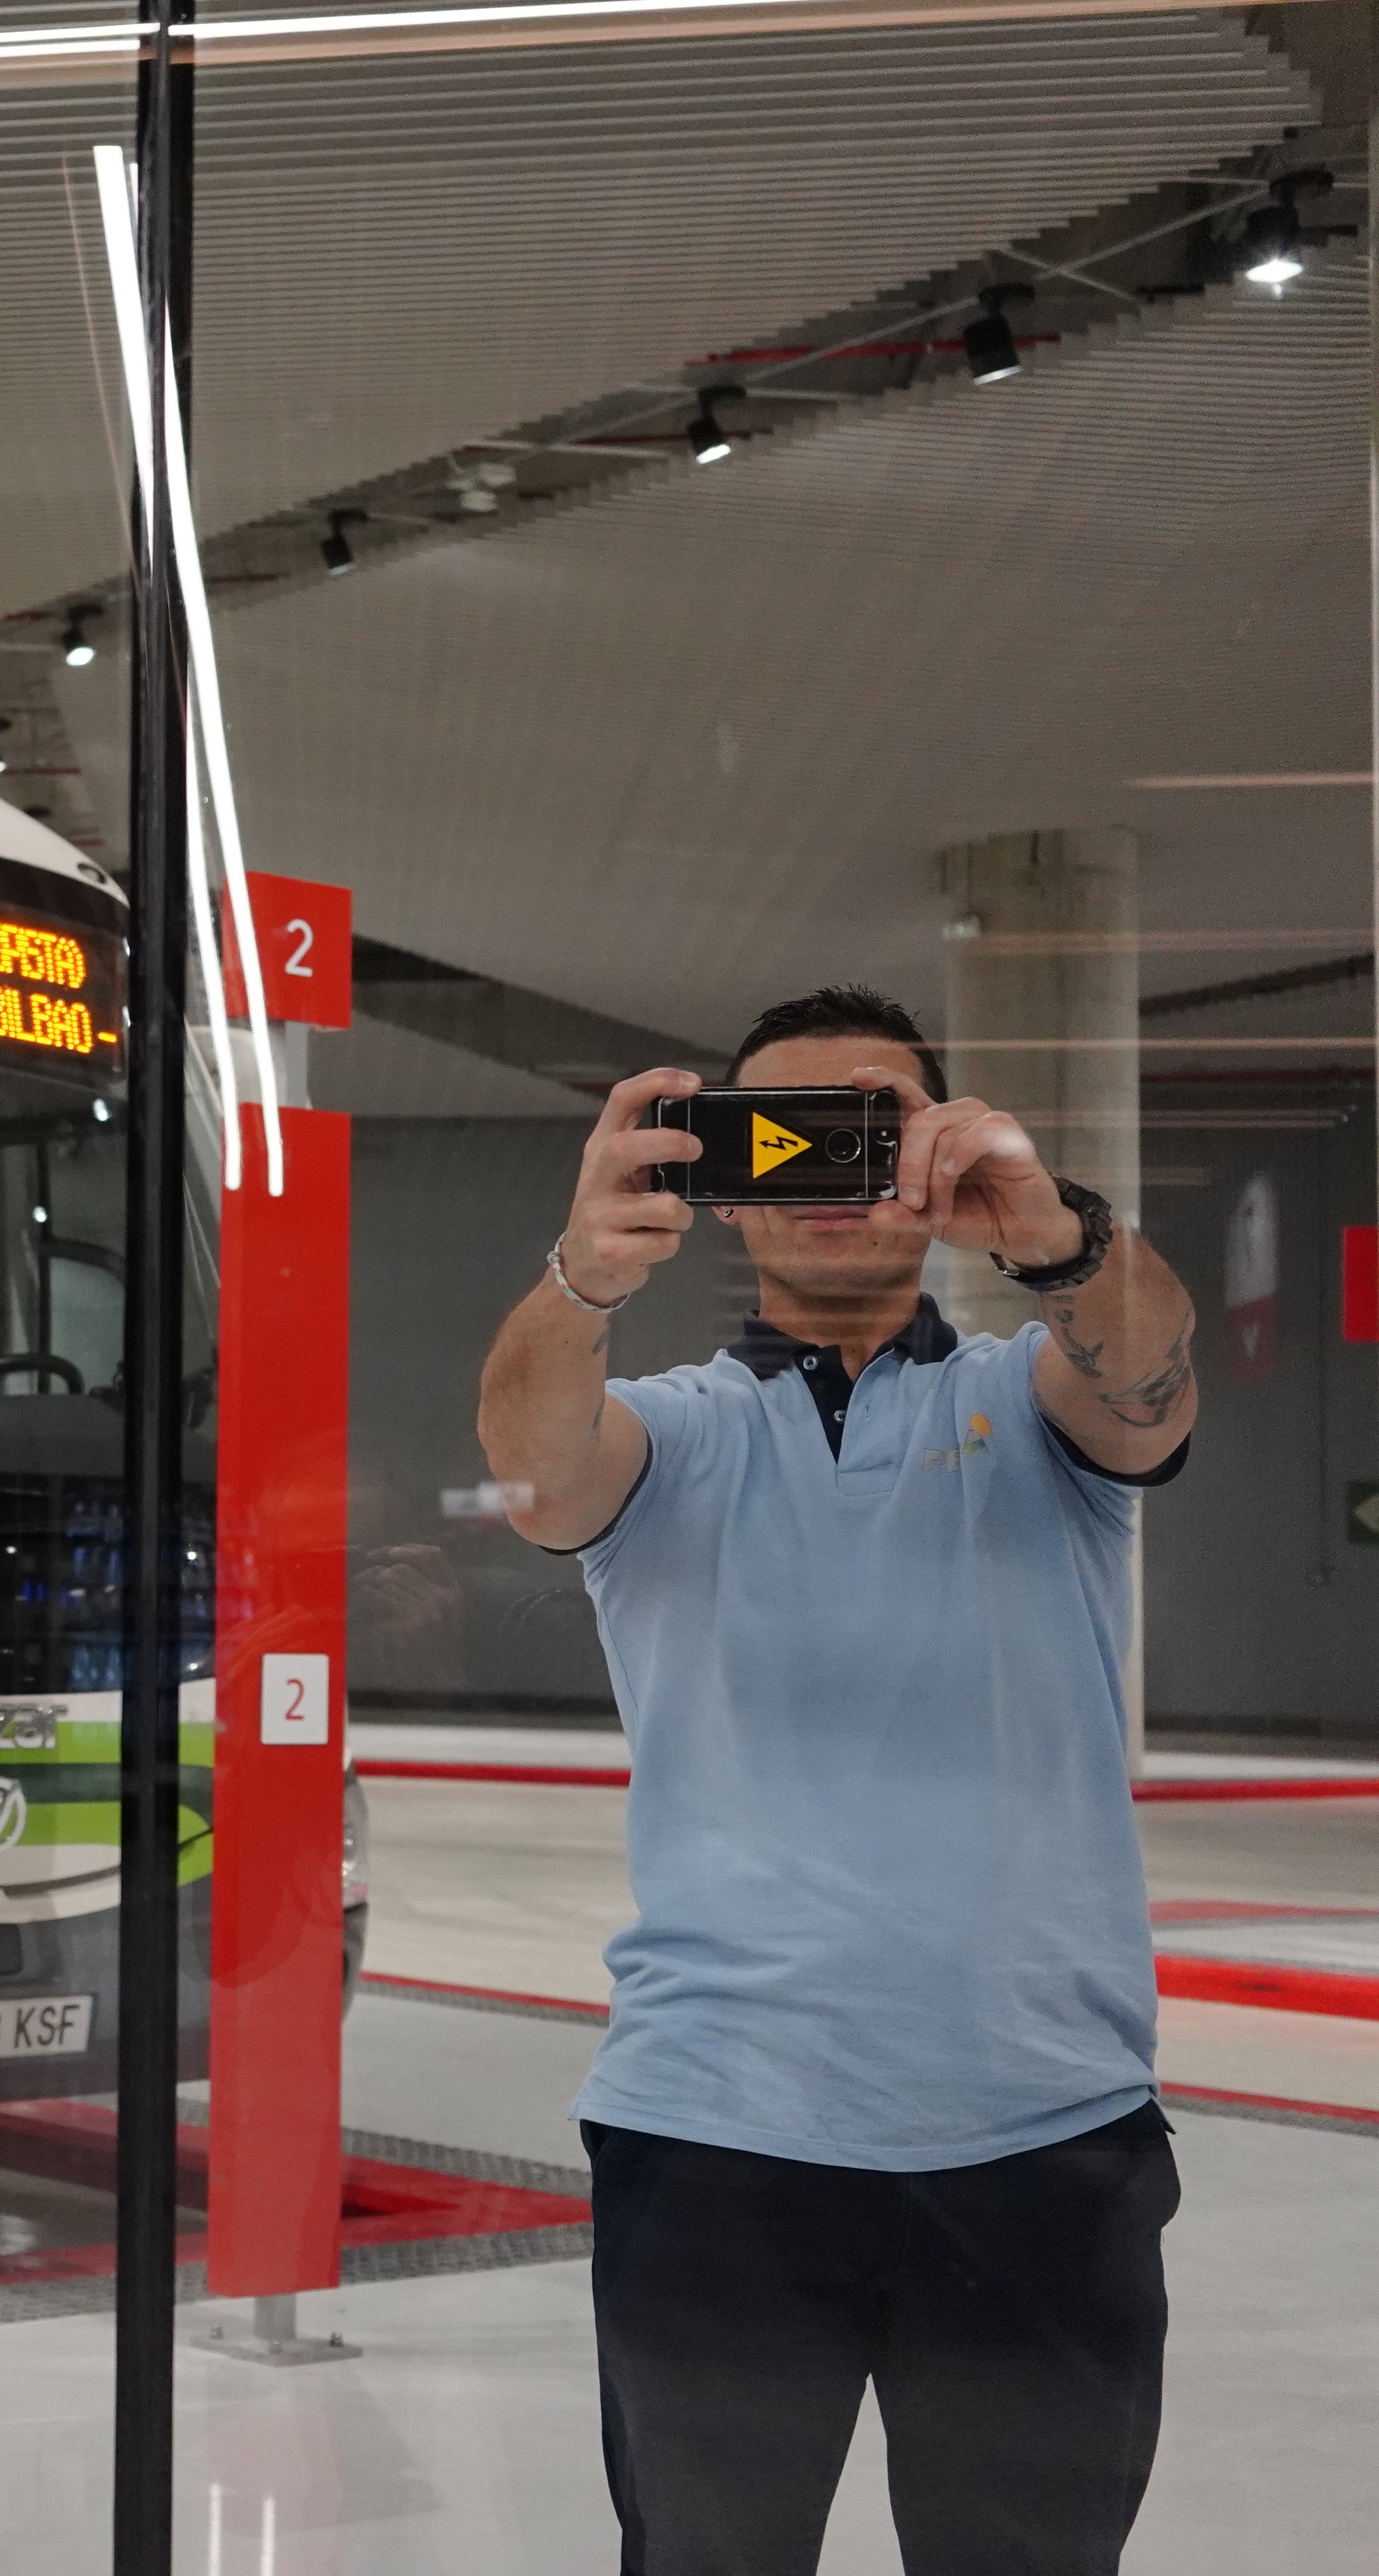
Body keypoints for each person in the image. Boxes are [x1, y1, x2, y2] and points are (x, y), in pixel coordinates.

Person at [474, 985, 1195, 2576]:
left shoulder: (1034, 1396)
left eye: (877, 1129)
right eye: (783, 1136)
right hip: (716, 2134)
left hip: (1042, 2132)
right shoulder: (666, 1435)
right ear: (728, 1183)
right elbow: (533, 1467)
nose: (832, 1169)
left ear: (942, 1156)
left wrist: (1056, 1228)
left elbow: (1148, 1374)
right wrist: (583, 1270)